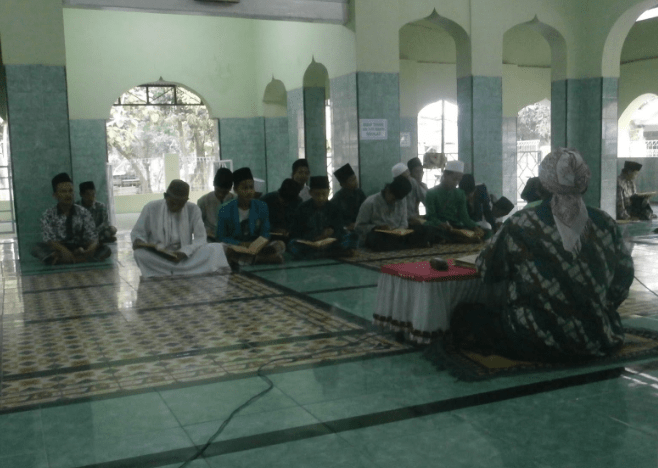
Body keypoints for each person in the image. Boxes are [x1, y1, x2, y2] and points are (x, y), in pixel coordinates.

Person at [449, 148, 634, 361]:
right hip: (597, 337)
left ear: (540, 185)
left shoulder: (522, 223)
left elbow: (487, 270)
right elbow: (622, 282)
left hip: (533, 337)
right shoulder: (605, 223)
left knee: (465, 316)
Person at [131, 179, 229, 278]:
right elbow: (138, 233)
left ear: (186, 200)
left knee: (215, 248)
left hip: (184, 256)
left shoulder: (193, 209)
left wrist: (185, 252)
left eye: (180, 203)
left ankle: (169, 271)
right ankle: (186, 270)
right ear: (165, 196)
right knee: (139, 254)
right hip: (160, 256)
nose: (176, 206)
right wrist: (139, 241)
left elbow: (201, 238)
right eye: (173, 202)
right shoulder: (151, 208)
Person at [32, 173, 111, 265]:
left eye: (70, 191)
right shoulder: (48, 214)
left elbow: (92, 237)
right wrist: (64, 250)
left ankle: (61, 260)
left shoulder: (83, 212)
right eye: (63, 191)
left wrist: (92, 247)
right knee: (36, 248)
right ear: (55, 195)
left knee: (106, 249)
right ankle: (80, 259)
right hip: (60, 248)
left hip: (80, 247)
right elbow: (50, 240)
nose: (68, 195)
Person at [217, 167, 286, 264]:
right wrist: (241, 244)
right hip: (236, 246)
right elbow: (221, 237)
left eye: (251, 187)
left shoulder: (261, 206)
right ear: (236, 190)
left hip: (256, 247)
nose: (249, 191)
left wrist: (257, 244)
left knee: (280, 244)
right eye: (245, 188)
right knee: (222, 248)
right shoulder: (224, 209)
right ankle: (261, 259)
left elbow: (265, 233)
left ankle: (247, 259)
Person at [289, 175, 357, 259]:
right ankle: (333, 253)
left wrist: (331, 234)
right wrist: (315, 238)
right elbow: (295, 232)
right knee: (293, 244)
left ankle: (319, 254)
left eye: (324, 194)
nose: (321, 198)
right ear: (311, 193)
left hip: (330, 243)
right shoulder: (302, 208)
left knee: (352, 237)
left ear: (328, 192)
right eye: (317, 194)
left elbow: (339, 229)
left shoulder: (334, 208)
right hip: (310, 243)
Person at [355, 175, 429, 251]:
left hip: (398, 235)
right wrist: (376, 227)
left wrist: (400, 231)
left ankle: (400, 245)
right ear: (387, 190)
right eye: (394, 199)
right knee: (377, 239)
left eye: (397, 200)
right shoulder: (370, 203)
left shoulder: (401, 200)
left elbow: (404, 222)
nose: (395, 202)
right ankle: (403, 245)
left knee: (422, 230)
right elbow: (359, 227)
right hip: (381, 235)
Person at [425, 160, 486, 242]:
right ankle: (458, 238)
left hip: (456, 227)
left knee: (487, 232)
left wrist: (475, 227)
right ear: (445, 175)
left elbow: (465, 217)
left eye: (458, 180)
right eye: (454, 179)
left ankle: (456, 238)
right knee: (430, 229)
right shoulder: (431, 193)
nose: (456, 183)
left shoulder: (460, 193)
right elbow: (431, 217)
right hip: (439, 227)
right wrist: (440, 224)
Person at [260, 178, 303, 243]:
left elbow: (299, 222)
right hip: (268, 237)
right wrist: (273, 229)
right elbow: (259, 222)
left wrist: (289, 230)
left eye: (289, 203)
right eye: (284, 202)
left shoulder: (298, 202)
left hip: (289, 238)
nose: (286, 205)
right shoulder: (266, 200)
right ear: (279, 193)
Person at [197, 167, 234, 240]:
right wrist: (207, 232)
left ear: (230, 188)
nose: (220, 195)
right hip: (209, 239)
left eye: (224, 192)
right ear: (213, 183)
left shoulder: (234, 200)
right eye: (218, 190)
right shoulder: (203, 201)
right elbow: (197, 224)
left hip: (230, 239)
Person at [330, 163, 366, 231]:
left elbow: (366, 209)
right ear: (342, 184)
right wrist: (347, 225)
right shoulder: (337, 199)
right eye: (351, 180)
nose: (355, 182)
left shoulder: (359, 193)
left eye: (355, 178)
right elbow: (335, 220)